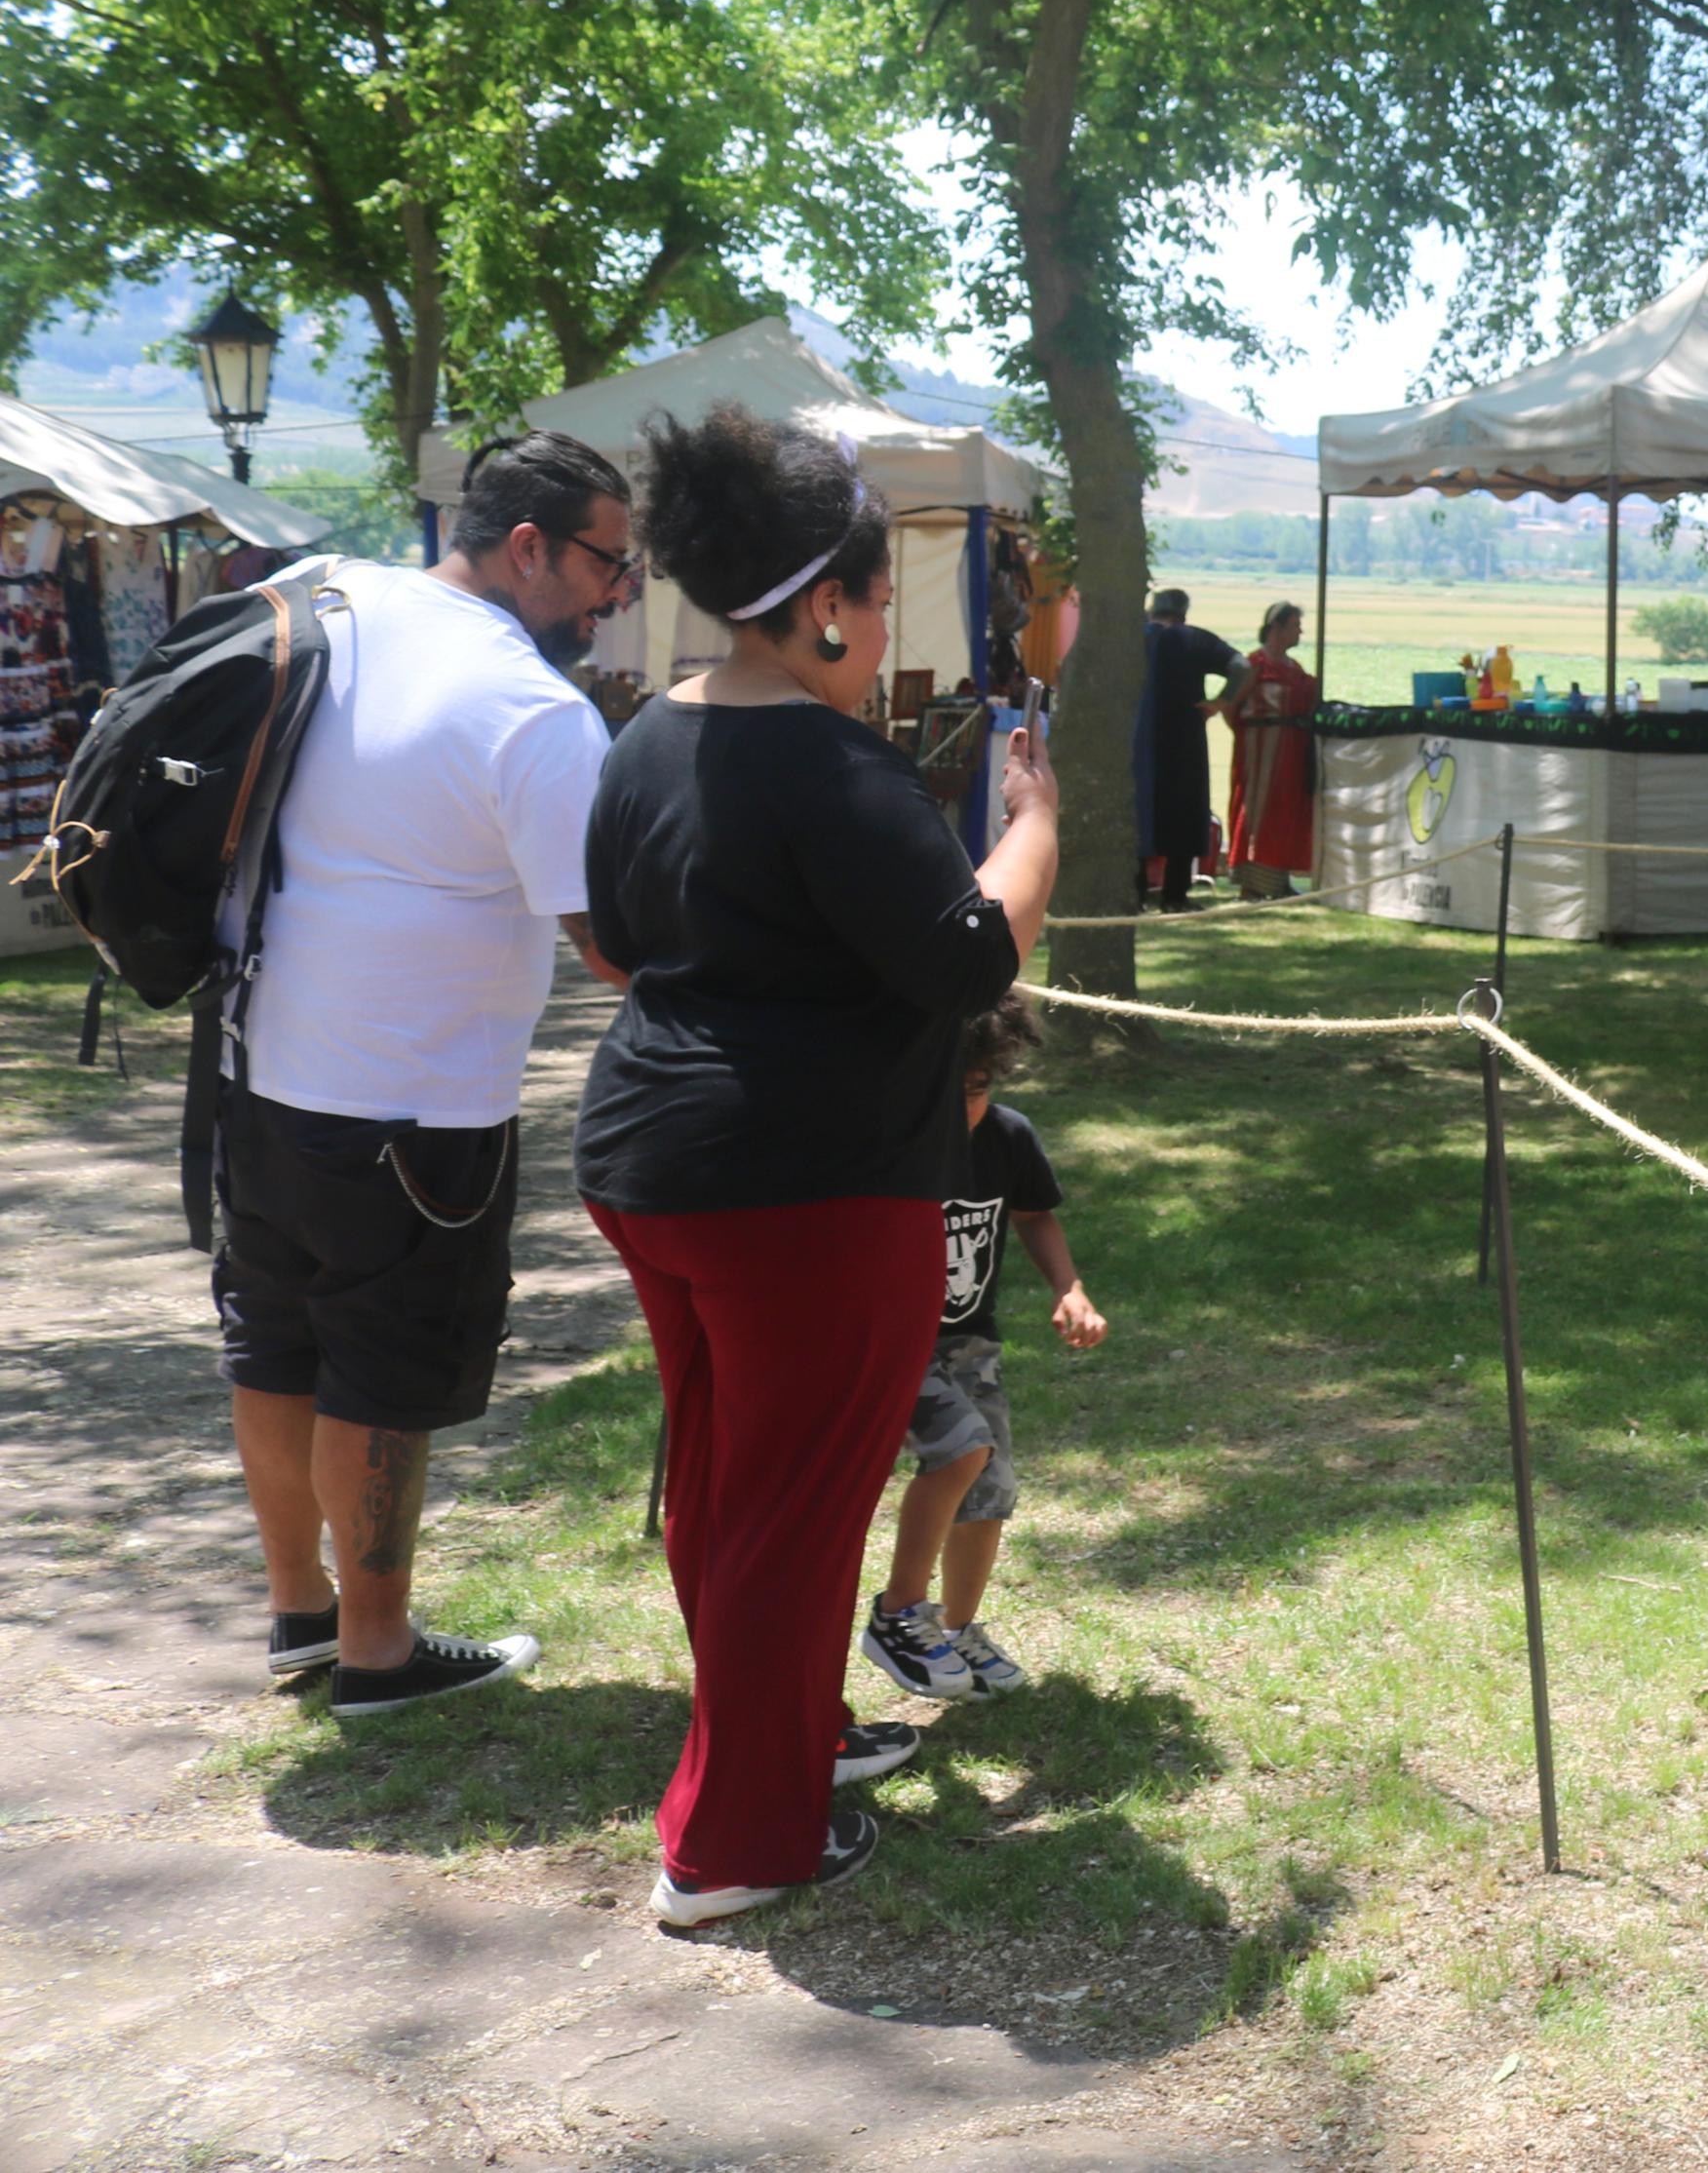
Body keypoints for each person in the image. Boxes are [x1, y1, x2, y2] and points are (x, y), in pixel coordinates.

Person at [575, 402, 1060, 1927]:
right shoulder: (839, 771)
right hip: (806, 1187)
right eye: (869, 595)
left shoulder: (650, 735)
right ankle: (736, 1841)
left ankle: (771, 1748)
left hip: (654, 1158)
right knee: (788, 1508)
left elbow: (618, 937)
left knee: (729, 1487)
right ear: (827, 604)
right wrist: (1033, 827)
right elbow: (964, 957)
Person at [218, 430, 639, 1717]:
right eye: (607, 562)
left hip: (258, 1065)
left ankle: (302, 1608)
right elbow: (615, 946)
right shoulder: (529, 706)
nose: (617, 592)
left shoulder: (325, 590)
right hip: (417, 1105)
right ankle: (378, 1645)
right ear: (529, 545)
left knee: (276, 1341)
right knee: (380, 1369)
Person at [860, 993, 1106, 1701]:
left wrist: (1070, 1288)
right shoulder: (886, 1146)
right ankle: (900, 1613)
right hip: (890, 1343)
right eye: (946, 1092)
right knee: (961, 1447)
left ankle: (959, 1630)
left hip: (968, 1342)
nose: (963, 1108)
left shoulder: (1006, 1137)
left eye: (977, 1089)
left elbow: (1034, 1215)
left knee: (990, 1487)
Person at [1132, 588, 1242, 912]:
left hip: (1139, 738)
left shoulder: (1133, 638)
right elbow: (1242, 666)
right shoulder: (1196, 639)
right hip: (1185, 739)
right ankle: (1175, 896)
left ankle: (1135, 894)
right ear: (1183, 612)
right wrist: (1222, 701)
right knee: (1185, 811)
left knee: (1139, 811)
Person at [1221, 601, 1315, 901]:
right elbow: (1229, 706)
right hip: (1259, 750)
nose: (1300, 632)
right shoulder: (1254, 666)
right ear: (1277, 627)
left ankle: (1278, 879)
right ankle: (1252, 882)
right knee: (1257, 810)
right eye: (1295, 625)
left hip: (1291, 749)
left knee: (1286, 810)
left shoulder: (1293, 668)